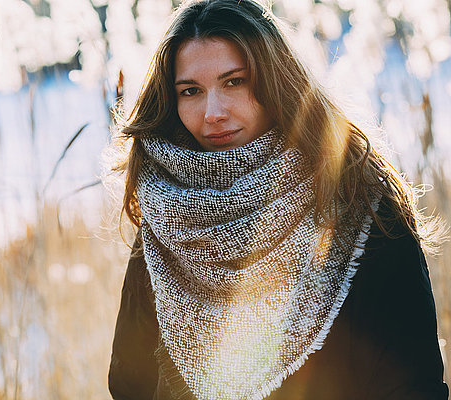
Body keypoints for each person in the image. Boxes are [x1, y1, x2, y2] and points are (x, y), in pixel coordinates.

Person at [108, 0, 449, 399]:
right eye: (191, 91)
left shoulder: (358, 198)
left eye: (234, 81)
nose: (213, 112)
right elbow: (129, 381)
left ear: (276, 80)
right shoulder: (169, 212)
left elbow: (412, 384)